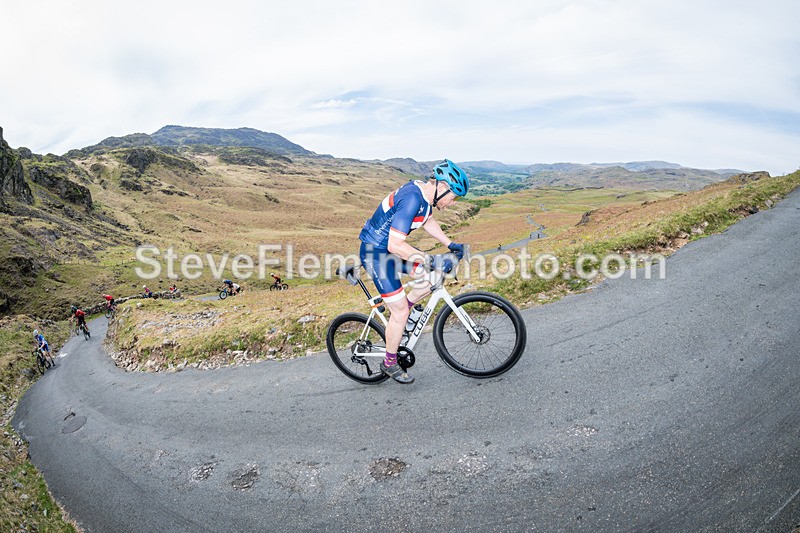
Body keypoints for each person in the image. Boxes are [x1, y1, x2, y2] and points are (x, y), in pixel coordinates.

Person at [358, 159, 469, 384]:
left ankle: (407, 314)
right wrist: (432, 259)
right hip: (376, 254)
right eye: (453, 197)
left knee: (434, 277)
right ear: (442, 187)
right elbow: (395, 245)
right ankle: (389, 362)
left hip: (390, 251)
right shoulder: (412, 199)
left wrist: (450, 244)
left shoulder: (425, 196)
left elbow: (428, 220)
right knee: (399, 311)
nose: (453, 203)